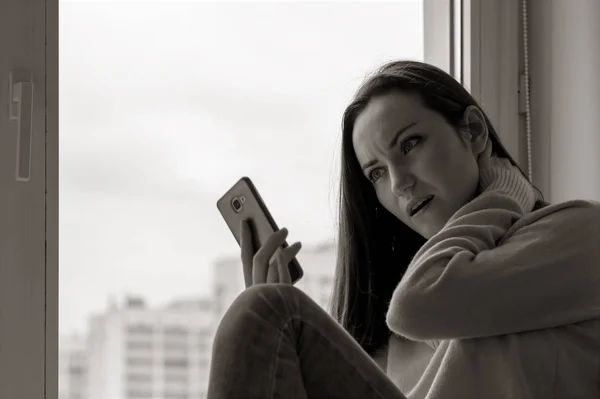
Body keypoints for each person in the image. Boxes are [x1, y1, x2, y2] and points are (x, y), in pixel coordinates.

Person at [206, 61, 600, 399]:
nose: (398, 183)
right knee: (266, 311)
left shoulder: (580, 233)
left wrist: (507, 192)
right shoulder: (393, 332)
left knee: (265, 310)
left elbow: (420, 301)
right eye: (376, 172)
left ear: (475, 132)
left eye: (410, 144)